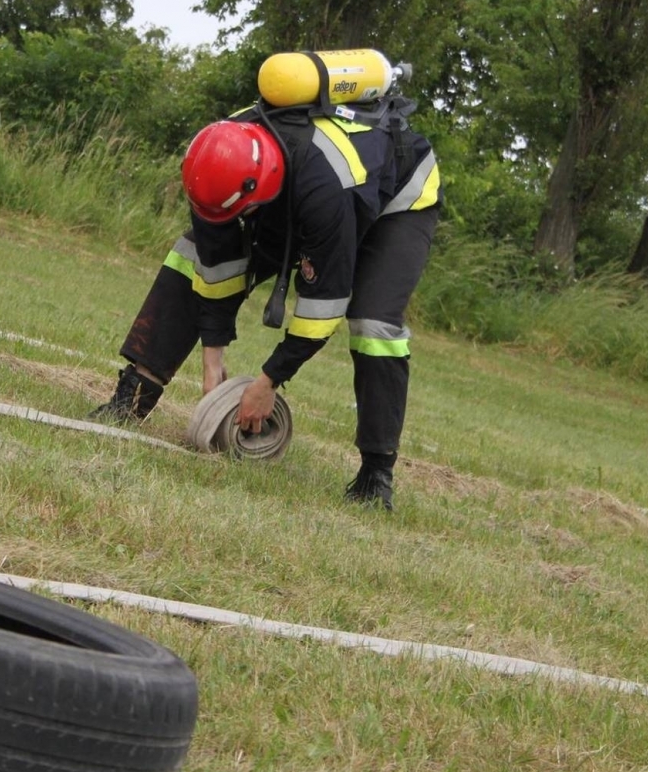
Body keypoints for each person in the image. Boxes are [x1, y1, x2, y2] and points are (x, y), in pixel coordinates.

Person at [92, 53, 441, 510]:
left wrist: (266, 384)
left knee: (373, 325)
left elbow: (321, 311)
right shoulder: (222, 152)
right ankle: (132, 397)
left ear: (261, 191)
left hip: (396, 200)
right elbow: (216, 263)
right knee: (190, 255)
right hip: (291, 188)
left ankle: (376, 475)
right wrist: (212, 360)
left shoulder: (328, 191)